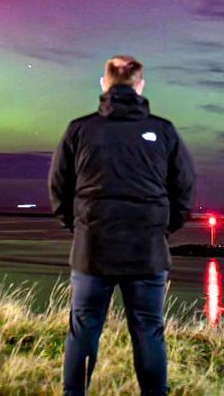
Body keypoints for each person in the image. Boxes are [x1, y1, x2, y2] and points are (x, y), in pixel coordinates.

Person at [48, 55, 196, 396]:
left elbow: (58, 188)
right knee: (148, 330)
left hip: (92, 250)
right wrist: (162, 228)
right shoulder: (163, 131)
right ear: (140, 86)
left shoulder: (80, 129)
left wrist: (79, 226)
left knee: (84, 329)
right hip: (146, 251)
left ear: (104, 84)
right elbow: (185, 189)